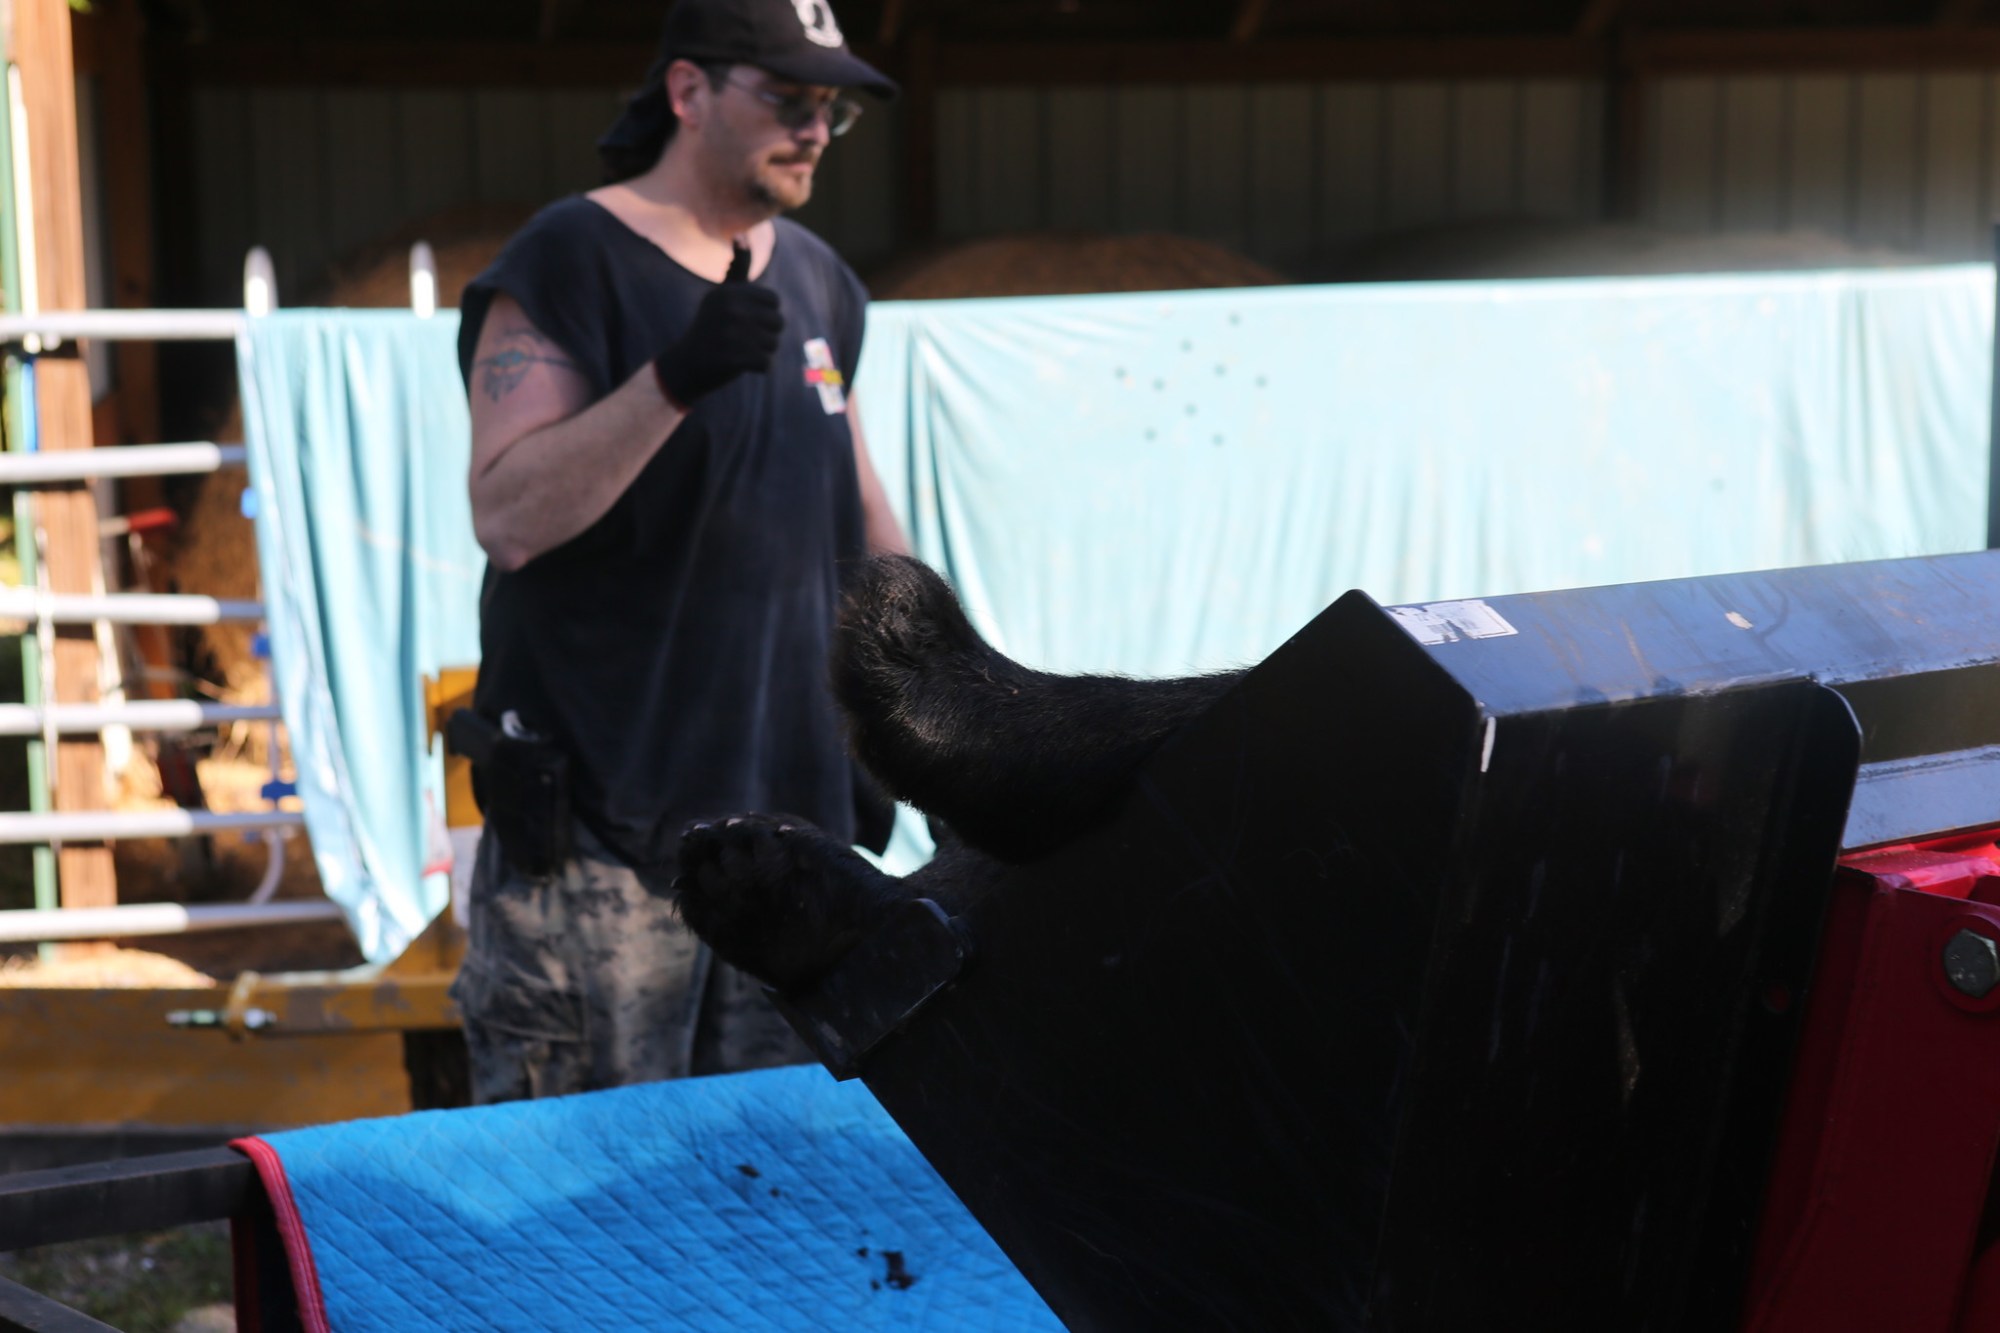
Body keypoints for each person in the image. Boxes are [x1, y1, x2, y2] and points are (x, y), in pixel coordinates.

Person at [449, 0, 909, 1104]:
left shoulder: (817, 281)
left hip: (785, 856)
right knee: (571, 1221)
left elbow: (857, 514)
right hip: (606, 857)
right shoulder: (567, 259)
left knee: (768, 1230)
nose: (811, 128)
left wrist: (927, 707)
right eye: (787, 99)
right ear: (688, 92)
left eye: (830, 110)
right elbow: (507, 517)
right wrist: (672, 379)